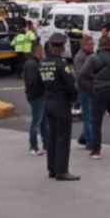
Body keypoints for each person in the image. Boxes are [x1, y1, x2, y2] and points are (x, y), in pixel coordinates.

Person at [40, 33, 79, 181]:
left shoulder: (43, 63)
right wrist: (73, 99)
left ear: (50, 47)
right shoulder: (62, 64)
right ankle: (62, 171)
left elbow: (38, 84)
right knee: (63, 138)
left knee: (52, 137)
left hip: (48, 102)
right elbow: (70, 85)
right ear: (62, 48)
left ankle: (52, 169)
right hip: (61, 103)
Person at [22, 43, 48, 155]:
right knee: (37, 122)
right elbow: (32, 82)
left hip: (39, 96)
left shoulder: (34, 63)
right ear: (36, 51)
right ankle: (33, 147)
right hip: (37, 96)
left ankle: (47, 144)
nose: (42, 52)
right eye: (40, 50)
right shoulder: (32, 64)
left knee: (43, 121)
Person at [73, 35, 96, 149]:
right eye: (90, 44)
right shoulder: (79, 58)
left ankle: (84, 137)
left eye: (93, 44)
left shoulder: (92, 55)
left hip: (93, 89)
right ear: (84, 45)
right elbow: (80, 77)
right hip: (85, 91)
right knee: (88, 117)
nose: (93, 46)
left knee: (91, 116)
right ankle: (90, 143)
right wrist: (91, 89)